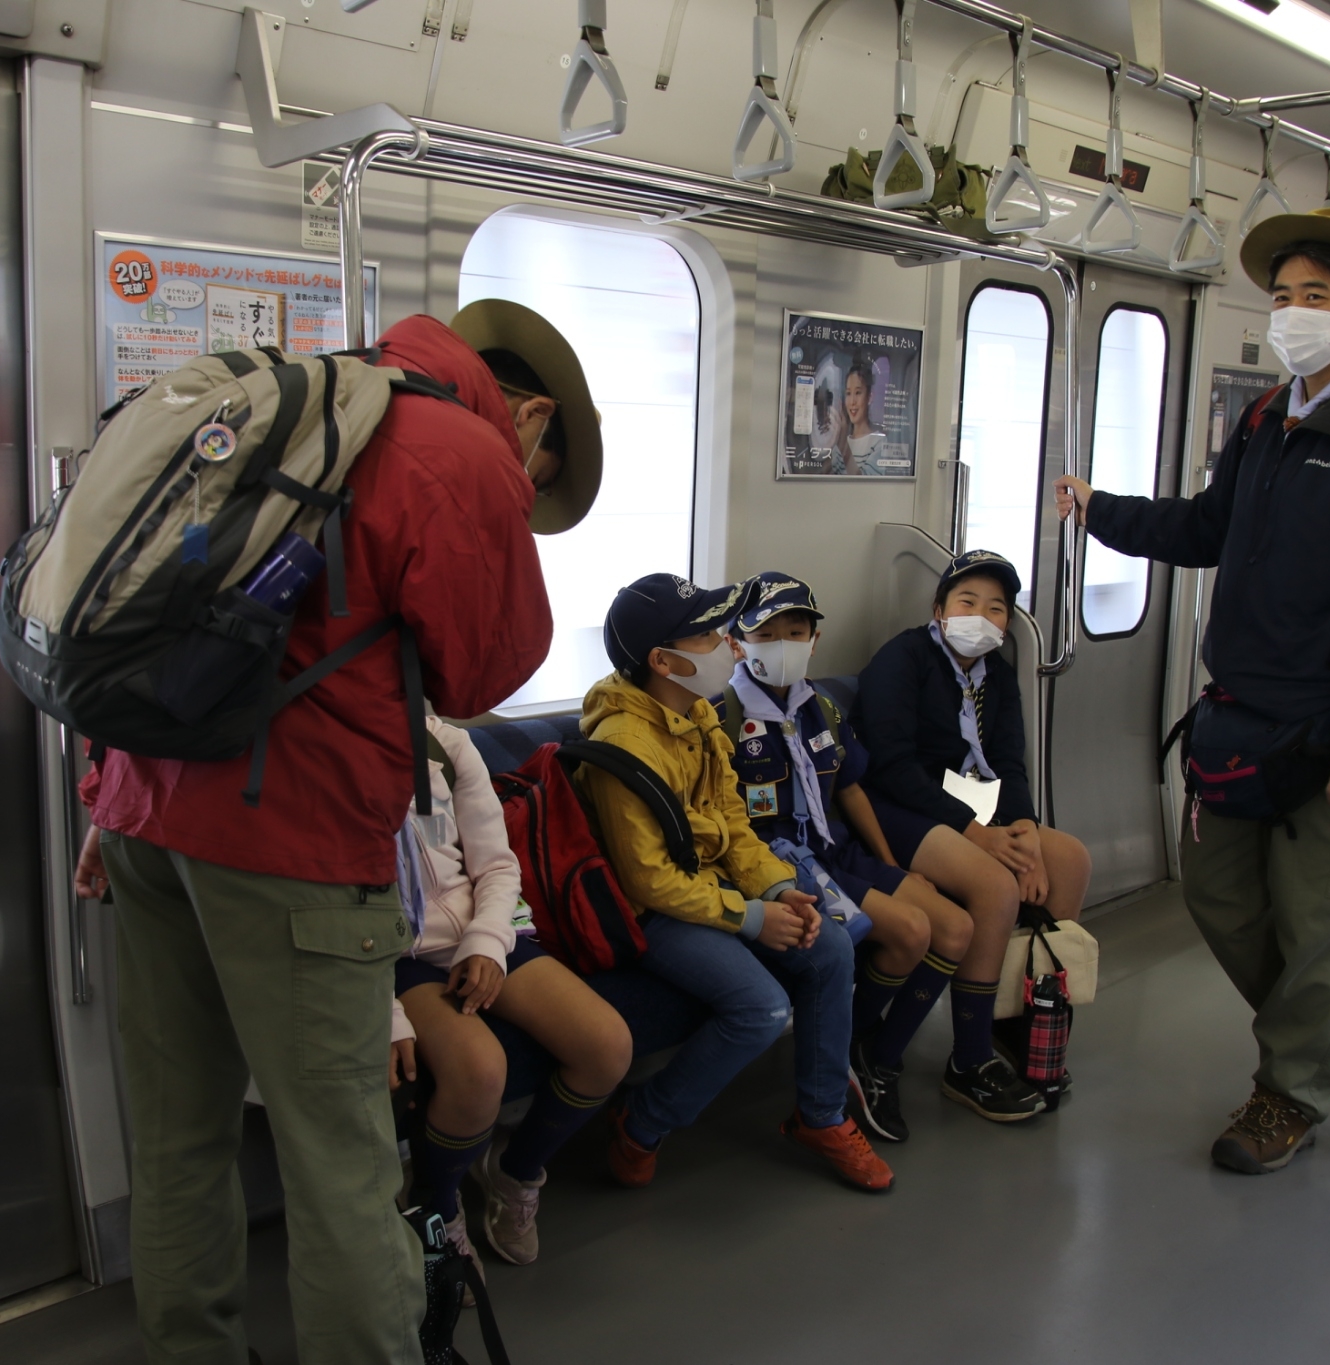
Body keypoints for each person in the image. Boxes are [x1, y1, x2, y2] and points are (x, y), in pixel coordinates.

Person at [72, 301, 601, 1365]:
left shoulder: (280, 398)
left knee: (176, 1136)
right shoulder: (456, 449)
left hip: (144, 815)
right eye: (537, 473)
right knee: (341, 1165)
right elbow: (481, 673)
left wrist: (109, 792)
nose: (526, 482)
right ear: (531, 414)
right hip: (295, 845)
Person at [1054, 206, 1330, 1175]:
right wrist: (1103, 511)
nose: (1291, 313)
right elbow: (1209, 529)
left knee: (1313, 926)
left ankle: (1289, 1095)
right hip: (1240, 719)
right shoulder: (1266, 417)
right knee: (1220, 899)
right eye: (1281, 296)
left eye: (1314, 296)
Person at [579, 573, 895, 1193]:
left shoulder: (696, 713)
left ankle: (822, 1116)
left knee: (831, 947)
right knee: (761, 1008)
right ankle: (642, 1122)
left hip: (711, 884)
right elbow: (650, 882)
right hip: (653, 910)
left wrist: (777, 889)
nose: (726, 644)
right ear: (663, 661)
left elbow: (733, 823)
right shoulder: (625, 746)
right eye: (705, 636)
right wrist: (751, 918)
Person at [718, 571, 975, 1143]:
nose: (786, 645)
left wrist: (893, 865)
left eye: (797, 632)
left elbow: (851, 787)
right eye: (767, 634)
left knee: (955, 927)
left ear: (814, 640)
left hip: (837, 851)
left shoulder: (823, 708)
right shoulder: (721, 721)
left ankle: (874, 1052)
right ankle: (853, 1051)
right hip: (785, 867)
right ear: (736, 643)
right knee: (911, 931)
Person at [851, 550, 1093, 1123]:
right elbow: (890, 764)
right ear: (939, 609)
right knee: (994, 886)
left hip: (969, 807)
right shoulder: (903, 658)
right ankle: (970, 1057)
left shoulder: (997, 674)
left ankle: (1019, 1021)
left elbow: (1008, 761)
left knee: (1069, 860)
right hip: (898, 805)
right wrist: (977, 835)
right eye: (967, 602)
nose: (981, 616)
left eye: (996, 608)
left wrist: (1025, 833)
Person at [387, 715, 632, 1272]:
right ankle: (435, 1204)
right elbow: (316, 909)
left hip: (477, 928)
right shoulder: (312, 757)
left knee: (607, 1045)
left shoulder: (444, 743)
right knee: (479, 1070)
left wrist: (486, 942)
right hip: (393, 955)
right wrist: (385, 1014)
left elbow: (497, 865)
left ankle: (515, 1173)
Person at [839, 359, 888, 475]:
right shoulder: (840, 443)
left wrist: (842, 442)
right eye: (848, 393)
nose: (852, 402)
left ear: (869, 397)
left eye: (858, 393)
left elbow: (862, 482)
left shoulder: (879, 442)